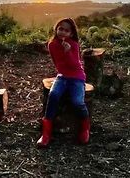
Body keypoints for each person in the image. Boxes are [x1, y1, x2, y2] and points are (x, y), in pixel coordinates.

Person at [37, 17, 90, 148]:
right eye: (60, 29)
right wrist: (62, 74)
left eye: (66, 31)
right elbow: (57, 64)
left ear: (71, 33)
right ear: (56, 29)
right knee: (53, 95)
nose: (62, 32)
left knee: (77, 101)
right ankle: (46, 133)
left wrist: (68, 52)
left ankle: (85, 128)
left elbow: (75, 65)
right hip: (62, 76)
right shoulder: (52, 45)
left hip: (77, 77)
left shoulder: (74, 44)